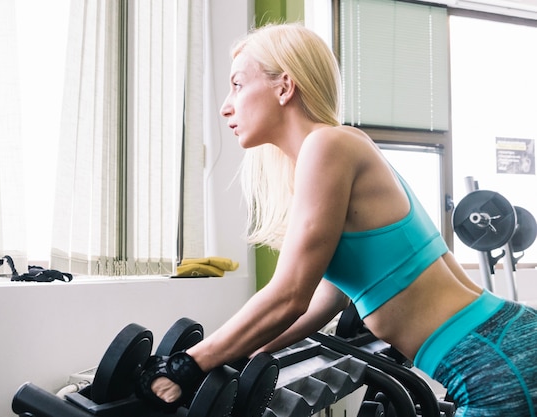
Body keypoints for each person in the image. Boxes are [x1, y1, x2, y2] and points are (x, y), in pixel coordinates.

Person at [137, 23, 537, 416]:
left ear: (284, 87)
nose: (227, 104)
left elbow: (289, 295)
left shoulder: (329, 145)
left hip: (492, 358)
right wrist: (237, 352)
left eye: (238, 85)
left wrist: (185, 366)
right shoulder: (334, 150)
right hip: (494, 347)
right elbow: (324, 301)